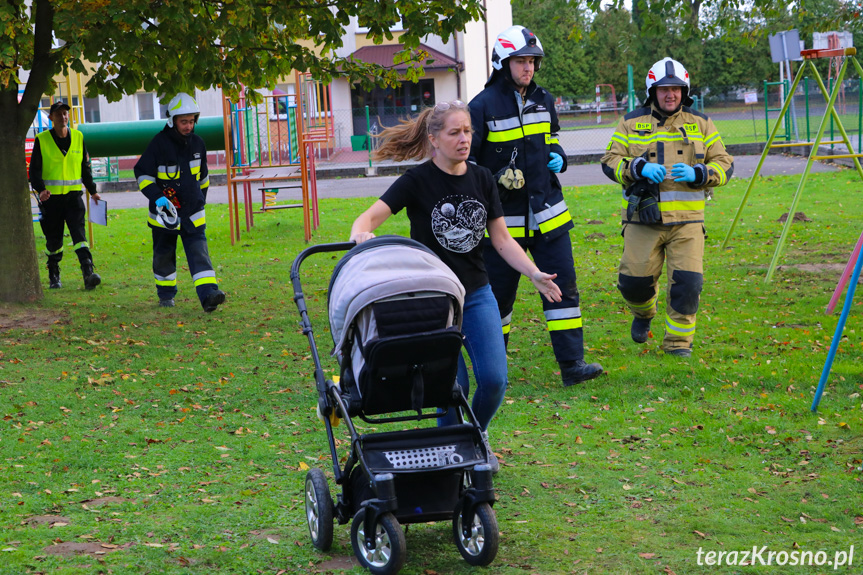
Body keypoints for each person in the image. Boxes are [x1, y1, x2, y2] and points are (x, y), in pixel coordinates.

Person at [350, 101, 562, 472]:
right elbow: (369, 215)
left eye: (467, 131)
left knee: (495, 380)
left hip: (477, 294)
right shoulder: (416, 181)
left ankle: (471, 439)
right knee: (450, 388)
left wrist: (533, 273)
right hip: (434, 298)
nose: (464, 139)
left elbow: (501, 239)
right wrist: (361, 233)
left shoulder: (481, 177)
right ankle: (449, 457)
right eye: (454, 132)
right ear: (434, 139)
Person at [468, 25, 604, 387]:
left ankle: (572, 365)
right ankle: (491, 369)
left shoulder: (543, 99)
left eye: (531, 61)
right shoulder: (481, 107)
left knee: (564, 291)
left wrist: (558, 155)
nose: (527, 68)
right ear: (503, 62)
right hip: (503, 226)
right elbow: (468, 162)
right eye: (520, 61)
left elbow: (553, 139)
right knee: (497, 302)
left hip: (549, 216)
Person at [600, 57, 735, 357]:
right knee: (633, 284)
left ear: (684, 91)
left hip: (687, 221)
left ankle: (678, 345)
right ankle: (644, 313)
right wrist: (637, 168)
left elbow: (725, 162)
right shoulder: (630, 122)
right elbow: (609, 161)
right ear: (652, 91)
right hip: (642, 219)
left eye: (676, 89)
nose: (670, 94)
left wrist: (702, 174)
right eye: (663, 89)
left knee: (688, 284)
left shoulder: (701, 124)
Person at [134, 92, 225, 312]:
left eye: (191, 121)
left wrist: (200, 201)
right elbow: (143, 174)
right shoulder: (158, 144)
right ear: (172, 120)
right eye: (184, 121)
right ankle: (166, 294)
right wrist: (159, 199)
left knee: (200, 254)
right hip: (165, 214)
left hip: (193, 211)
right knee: (164, 254)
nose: (188, 126)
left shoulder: (198, 144)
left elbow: (203, 178)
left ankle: (209, 296)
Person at [29, 101, 102, 291]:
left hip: (73, 197)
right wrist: (41, 189)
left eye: (65, 113)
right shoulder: (42, 139)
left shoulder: (78, 137)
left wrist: (92, 190)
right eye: (59, 114)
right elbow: (34, 170)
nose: (63, 116)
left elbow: (84, 168)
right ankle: (53, 273)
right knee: (54, 240)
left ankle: (88, 273)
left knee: (80, 235)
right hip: (51, 199)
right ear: (51, 117)